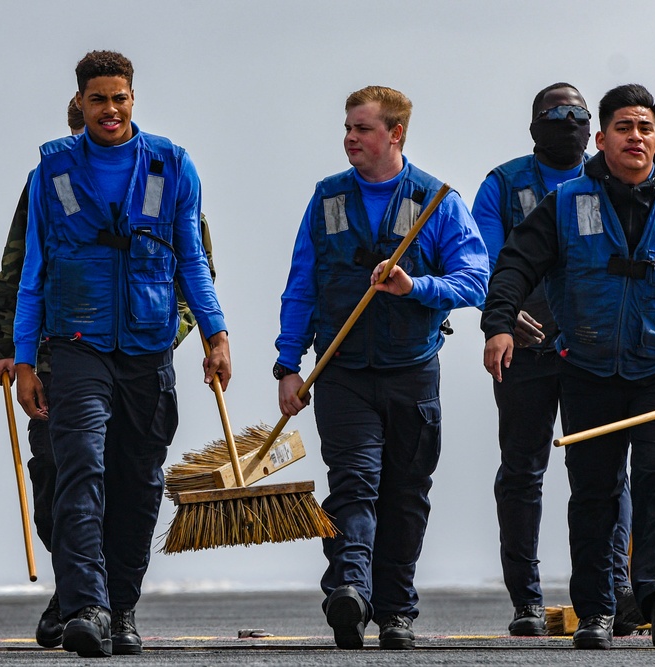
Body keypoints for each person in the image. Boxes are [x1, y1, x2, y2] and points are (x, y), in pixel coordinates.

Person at [481, 84, 655, 650]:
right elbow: (514, 263)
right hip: (586, 370)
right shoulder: (563, 205)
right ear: (602, 138)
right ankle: (595, 613)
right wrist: (499, 323)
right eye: (623, 127)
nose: (635, 137)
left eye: (644, 128)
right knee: (594, 493)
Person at [13, 50, 230, 658]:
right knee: (79, 469)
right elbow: (33, 272)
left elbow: (193, 260)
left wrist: (215, 334)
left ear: (133, 99)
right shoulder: (50, 176)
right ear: (79, 104)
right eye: (98, 99)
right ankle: (86, 607)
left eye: (120, 98)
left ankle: (123, 609)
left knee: (139, 481)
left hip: (148, 348)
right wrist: (25, 360)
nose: (110, 110)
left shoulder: (171, 165)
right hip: (77, 346)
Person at [274, 85, 488, 650]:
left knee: (405, 494)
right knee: (353, 485)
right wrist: (286, 365)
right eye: (347, 127)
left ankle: (396, 611)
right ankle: (349, 588)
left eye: (362, 128)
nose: (350, 138)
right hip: (341, 374)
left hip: (412, 374)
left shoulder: (438, 201)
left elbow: (475, 281)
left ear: (395, 134)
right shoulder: (326, 200)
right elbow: (301, 285)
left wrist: (413, 285)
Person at [472, 82, 642, 637]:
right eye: (553, 113)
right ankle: (526, 599)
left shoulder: (610, 179)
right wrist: (502, 314)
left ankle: (614, 589)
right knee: (522, 473)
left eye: (575, 113)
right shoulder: (501, 184)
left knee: (603, 473)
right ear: (533, 125)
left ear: (590, 126)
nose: (564, 121)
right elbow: (484, 261)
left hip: (591, 352)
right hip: (523, 352)